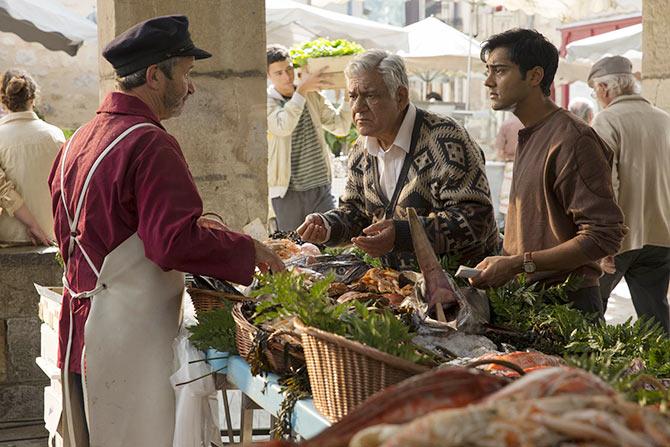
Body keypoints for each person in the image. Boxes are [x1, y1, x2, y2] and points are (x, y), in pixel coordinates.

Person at [49, 16, 284, 447]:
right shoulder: (149, 143)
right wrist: (250, 251)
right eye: (186, 73)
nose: (191, 87)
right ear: (155, 75)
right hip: (127, 341)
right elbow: (172, 241)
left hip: (79, 333)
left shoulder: (76, 141)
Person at [470, 29, 626, 317]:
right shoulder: (531, 132)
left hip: (567, 307)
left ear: (534, 76)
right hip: (529, 300)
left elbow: (604, 235)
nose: (488, 81)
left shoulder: (573, 138)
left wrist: (520, 263)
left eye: (499, 71)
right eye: (487, 71)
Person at [298, 50, 499, 270]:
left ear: (400, 97)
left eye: (370, 95)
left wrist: (402, 234)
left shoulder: (446, 139)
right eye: (353, 96)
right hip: (395, 289)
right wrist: (326, 226)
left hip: (458, 287)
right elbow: (355, 214)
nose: (357, 107)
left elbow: (477, 220)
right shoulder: (361, 149)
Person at [589, 55, 670, 333]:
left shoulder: (606, 120)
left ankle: (594, 370)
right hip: (662, 234)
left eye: (595, 90)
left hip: (621, 237)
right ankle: (664, 371)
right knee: (655, 312)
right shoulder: (665, 120)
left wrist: (604, 242)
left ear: (605, 88)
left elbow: (605, 184)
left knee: (591, 304)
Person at [266, 44, 352, 232]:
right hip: (287, 192)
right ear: (269, 76)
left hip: (320, 185)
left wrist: (347, 96)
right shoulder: (268, 102)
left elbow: (341, 126)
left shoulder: (312, 95)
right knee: (293, 248)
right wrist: (301, 91)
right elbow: (283, 126)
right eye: (278, 73)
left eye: (289, 69)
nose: (287, 76)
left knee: (330, 240)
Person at [0, 69, 63, 246]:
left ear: (4, 100)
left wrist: (32, 224)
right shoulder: (55, 136)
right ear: (33, 99)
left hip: (10, 237)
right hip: (52, 234)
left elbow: (2, 189)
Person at [493, 114, 523, 229]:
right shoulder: (532, 123)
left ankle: (509, 235)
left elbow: (499, 151)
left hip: (511, 166)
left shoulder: (507, 124)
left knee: (508, 206)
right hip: (529, 165)